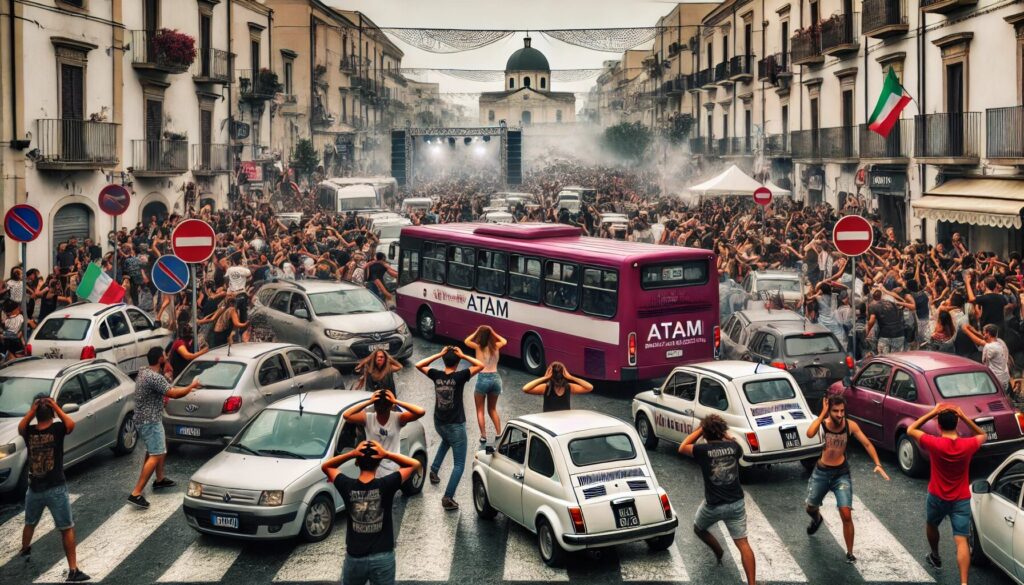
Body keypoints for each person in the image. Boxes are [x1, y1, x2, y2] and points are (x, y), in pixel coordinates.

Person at [804, 394, 890, 563]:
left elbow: (867, 443)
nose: (839, 414)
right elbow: (809, 433)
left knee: (846, 513)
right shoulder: (823, 424)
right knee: (810, 507)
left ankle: (850, 553)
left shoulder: (850, 425)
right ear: (829, 410)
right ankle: (817, 518)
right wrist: (822, 413)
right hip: (821, 473)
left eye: (842, 410)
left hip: (841, 474)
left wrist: (878, 464)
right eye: (835, 411)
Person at [321, 440, 421, 585]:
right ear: (379, 463)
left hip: (355, 557)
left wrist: (352, 453)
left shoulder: (346, 485)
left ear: (357, 463)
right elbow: (414, 464)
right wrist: (386, 453)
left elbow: (326, 466)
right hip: (383, 557)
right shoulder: (387, 484)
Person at [907, 404, 987, 584]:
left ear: (939, 425)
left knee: (932, 524)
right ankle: (964, 582)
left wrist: (932, 413)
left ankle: (935, 555)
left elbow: (911, 429)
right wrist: (964, 416)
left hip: (936, 496)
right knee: (961, 541)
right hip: (961, 499)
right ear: (957, 423)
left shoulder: (934, 443)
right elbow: (983, 435)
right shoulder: (967, 445)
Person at [18, 396, 89, 582]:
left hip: (34, 488)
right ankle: (73, 570)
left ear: (35, 415)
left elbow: (20, 427)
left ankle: (25, 548)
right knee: (66, 528)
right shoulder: (57, 428)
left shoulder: (29, 431)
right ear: (51, 413)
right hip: (56, 488)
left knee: (30, 522)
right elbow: (70, 424)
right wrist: (55, 406)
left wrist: (32, 411)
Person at [678, 414, 756, 585]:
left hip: (713, 506)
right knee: (743, 544)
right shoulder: (734, 447)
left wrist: (700, 430)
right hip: (736, 504)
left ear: (705, 433)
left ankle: (719, 551)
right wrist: (725, 434)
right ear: (722, 431)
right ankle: (752, 583)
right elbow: (734, 442)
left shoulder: (702, 451)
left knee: (699, 528)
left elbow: (683, 446)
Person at [128, 347, 201, 509]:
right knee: (156, 453)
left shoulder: (144, 372)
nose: (167, 357)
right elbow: (173, 393)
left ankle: (159, 479)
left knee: (159, 447)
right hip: (150, 421)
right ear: (160, 359)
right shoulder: (154, 378)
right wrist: (191, 386)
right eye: (165, 355)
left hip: (145, 419)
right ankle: (136, 493)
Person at [415, 346, 484, 511]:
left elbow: (419, 365)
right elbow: (480, 365)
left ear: (443, 360)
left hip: (439, 423)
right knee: (459, 464)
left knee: (446, 440)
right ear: (458, 361)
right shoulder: (460, 376)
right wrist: (463, 355)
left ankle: (434, 470)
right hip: (456, 425)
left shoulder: (436, 375)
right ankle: (448, 497)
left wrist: (439, 353)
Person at [343, 390, 426, 478]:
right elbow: (346, 416)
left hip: (392, 469)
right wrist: (370, 402)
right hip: (374, 469)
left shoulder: (397, 418)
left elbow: (421, 412)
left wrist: (394, 401)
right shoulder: (368, 418)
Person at [464, 325, 507, 445]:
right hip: (496, 378)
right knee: (492, 409)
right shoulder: (496, 346)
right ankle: (499, 433)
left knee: (480, 410)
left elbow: (467, 341)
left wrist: (477, 330)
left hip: (483, 378)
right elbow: (504, 340)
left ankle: (483, 436)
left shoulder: (478, 347)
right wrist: (493, 331)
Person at [522, 362, 593, 412]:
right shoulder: (569, 387)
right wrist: (571, 377)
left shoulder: (545, 388)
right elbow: (589, 387)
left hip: (549, 423)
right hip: (563, 423)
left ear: (550, 374)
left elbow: (525, 388)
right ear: (564, 375)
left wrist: (544, 378)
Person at [960, 323, 1012, 393]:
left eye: (984, 332)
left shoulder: (990, 347)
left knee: (974, 393)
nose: (982, 333)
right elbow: (983, 338)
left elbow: (979, 341)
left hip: (996, 381)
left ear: (988, 333)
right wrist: (972, 329)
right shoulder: (1000, 342)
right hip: (1004, 379)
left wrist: (966, 330)